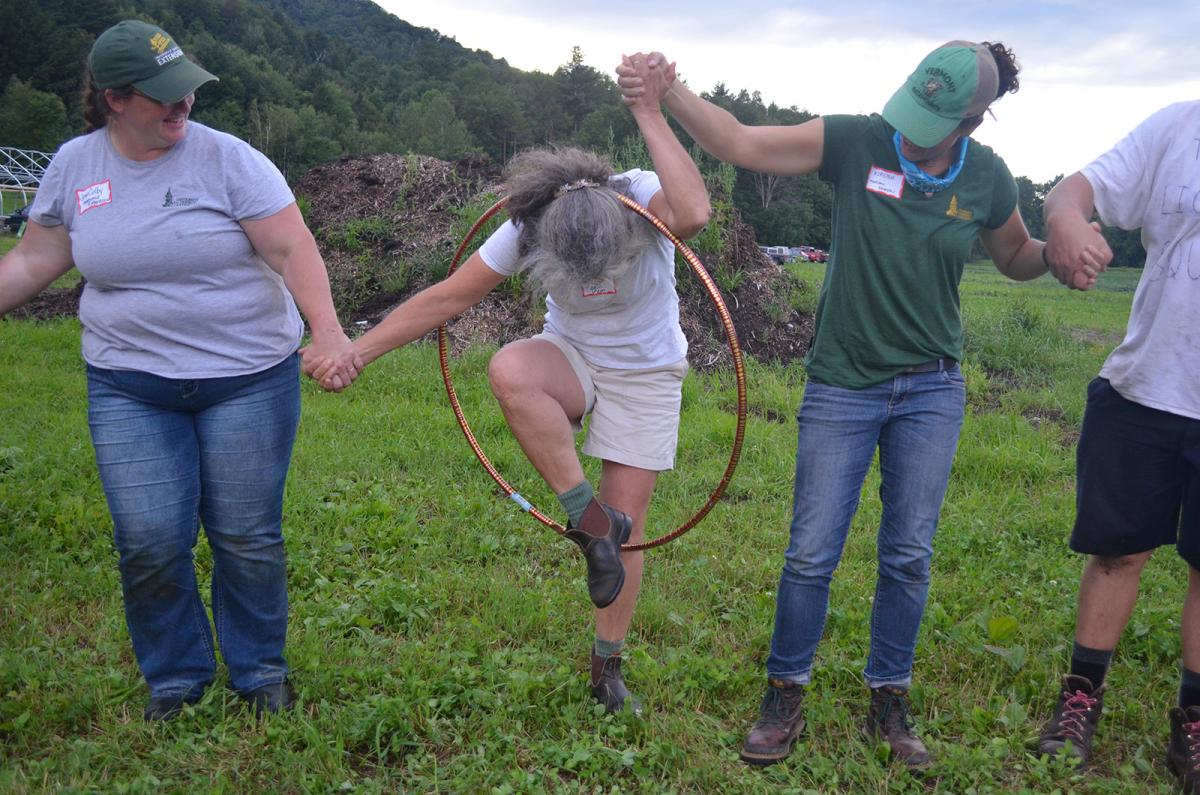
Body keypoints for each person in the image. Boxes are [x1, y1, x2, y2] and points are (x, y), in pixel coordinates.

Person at [618, 41, 1066, 767]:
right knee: (811, 551)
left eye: (933, 120)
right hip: (843, 382)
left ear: (974, 120)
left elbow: (1015, 255)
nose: (911, 129)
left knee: (909, 554)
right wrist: (670, 91)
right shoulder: (859, 140)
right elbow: (740, 142)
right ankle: (784, 692)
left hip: (931, 388)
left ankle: (889, 700)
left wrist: (1059, 251)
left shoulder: (987, 178)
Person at [0, 20, 361, 721]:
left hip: (249, 378)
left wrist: (328, 330)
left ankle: (259, 671)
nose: (181, 105)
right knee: (149, 537)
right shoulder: (76, 166)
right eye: (162, 97)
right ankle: (176, 680)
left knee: (247, 534)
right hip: (129, 384)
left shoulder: (229, 160)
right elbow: (34, 258)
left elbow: (292, 249)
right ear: (114, 99)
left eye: (187, 90)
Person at [304, 96, 711, 713]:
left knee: (630, 531)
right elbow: (447, 299)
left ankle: (607, 667)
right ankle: (587, 519)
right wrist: (356, 353)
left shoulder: (643, 198)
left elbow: (697, 213)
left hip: (646, 369)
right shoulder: (527, 223)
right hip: (570, 356)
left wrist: (650, 111)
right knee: (510, 367)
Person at [1035, 101, 1200, 793]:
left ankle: (1193, 721)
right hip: (1148, 385)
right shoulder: (1180, 127)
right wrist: (1068, 222)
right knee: (1118, 551)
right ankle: (1081, 697)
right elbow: (1074, 192)